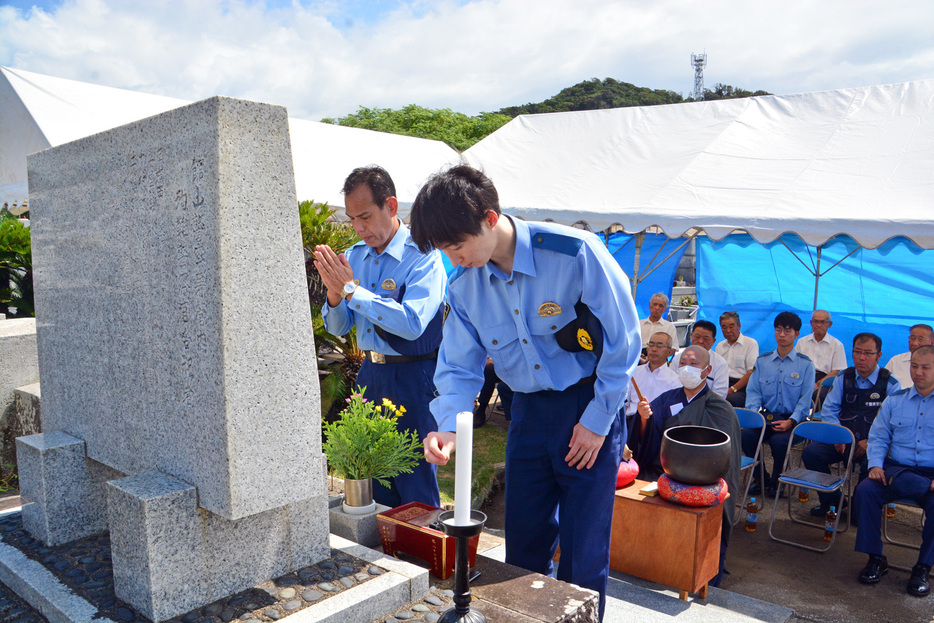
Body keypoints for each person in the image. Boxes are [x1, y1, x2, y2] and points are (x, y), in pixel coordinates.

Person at [410, 165, 641, 621]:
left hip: (588, 405)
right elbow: (458, 362)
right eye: (443, 251)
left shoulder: (575, 254)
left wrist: (596, 423)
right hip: (528, 414)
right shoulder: (463, 285)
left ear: (490, 218)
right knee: (523, 545)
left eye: (457, 245)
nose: (453, 259)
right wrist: (451, 425)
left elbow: (624, 340)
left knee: (583, 551)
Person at [314, 165, 447, 508]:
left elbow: (412, 323)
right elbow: (340, 328)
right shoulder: (356, 255)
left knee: (414, 474)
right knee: (372, 473)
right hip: (371, 376)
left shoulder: (423, 257)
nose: (359, 227)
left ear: (391, 205)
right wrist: (334, 295)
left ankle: (422, 557)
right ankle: (382, 557)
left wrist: (351, 291)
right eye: (351, 219)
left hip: (414, 377)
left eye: (365, 216)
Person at [627, 345, 742, 587]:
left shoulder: (720, 408)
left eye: (694, 363)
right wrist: (645, 419)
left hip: (704, 478)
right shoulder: (667, 399)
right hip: (665, 473)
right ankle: (651, 565)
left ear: (708, 370)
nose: (687, 367)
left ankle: (701, 575)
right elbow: (645, 443)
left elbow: (724, 458)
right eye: (683, 362)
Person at [853, 345, 934, 598]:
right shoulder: (895, 400)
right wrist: (875, 464)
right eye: (914, 366)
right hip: (894, 469)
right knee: (865, 490)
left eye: (925, 367)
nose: (918, 372)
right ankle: (876, 558)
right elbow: (878, 437)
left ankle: (923, 568)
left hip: (932, 475)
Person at [802, 333, 900, 517]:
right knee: (811, 453)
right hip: (843, 440)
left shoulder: (891, 384)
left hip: (872, 444)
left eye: (868, 353)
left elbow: (893, 422)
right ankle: (832, 501)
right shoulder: (843, 377)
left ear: (879, 356)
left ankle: (859, 507)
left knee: (871, 464)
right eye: (857, 352)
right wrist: (838, 436)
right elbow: (829, 409)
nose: (862, 358)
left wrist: (870, 442)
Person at [743, 311, 815, 496]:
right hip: (766, 417)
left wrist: (791, 421)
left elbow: (805, 400)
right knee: (747, 437)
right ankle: (761, 477)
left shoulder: (805, 365)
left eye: (787, 331)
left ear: (796, 334)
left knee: (779, 441)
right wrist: (754, 416)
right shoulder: (763, 361)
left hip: (792, 420)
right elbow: (753, 393)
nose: (782, 335)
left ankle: (777, 480)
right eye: (778, 330)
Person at [624, 331, 681, 420]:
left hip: (657, 423)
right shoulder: (634, 372)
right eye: (651, 345)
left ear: (669, 352)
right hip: (631, 421)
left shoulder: (675, 380)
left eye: (659, 346)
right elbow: (624, 402)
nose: (654, 349)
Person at [796, 310, 847, 408]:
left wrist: (818, 384)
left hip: (824, 381)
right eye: (816, 321)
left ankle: (814, 421)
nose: (819, 325)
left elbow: (836, 371)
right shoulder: (801, 342)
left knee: (818, 396)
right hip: (803, 378)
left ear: (829, 324)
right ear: (811, 323)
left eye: (823, 322)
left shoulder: (837, 345)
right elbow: (795, 365)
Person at [671, 320, 730, 398]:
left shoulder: (720, 363)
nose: (700, 341)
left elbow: (720, 394)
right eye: (697, 337)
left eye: (706, 339)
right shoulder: (679, 357)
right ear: (691, 336)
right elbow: (670, 382)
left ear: (713, 341)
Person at [715, 311, 759, 408]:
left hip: (742, 387)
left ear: (739, 326)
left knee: (728, 402)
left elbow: (751, 372)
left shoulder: (750, 343)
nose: (728, 330)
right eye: (724, 327)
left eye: (731, 326)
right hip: (722, 383)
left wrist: (732, 389)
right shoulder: (720, 346)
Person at [884, 324, 934, 389]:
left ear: (932, 342)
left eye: (920, 339)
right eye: (912, 338)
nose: (915, 343)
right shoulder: (896, 361)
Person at [473, 358, 514, 427]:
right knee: (489, 370)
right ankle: (481, 410)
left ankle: (513, 420)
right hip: (504, 365)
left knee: (503, 386)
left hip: (518, 368)